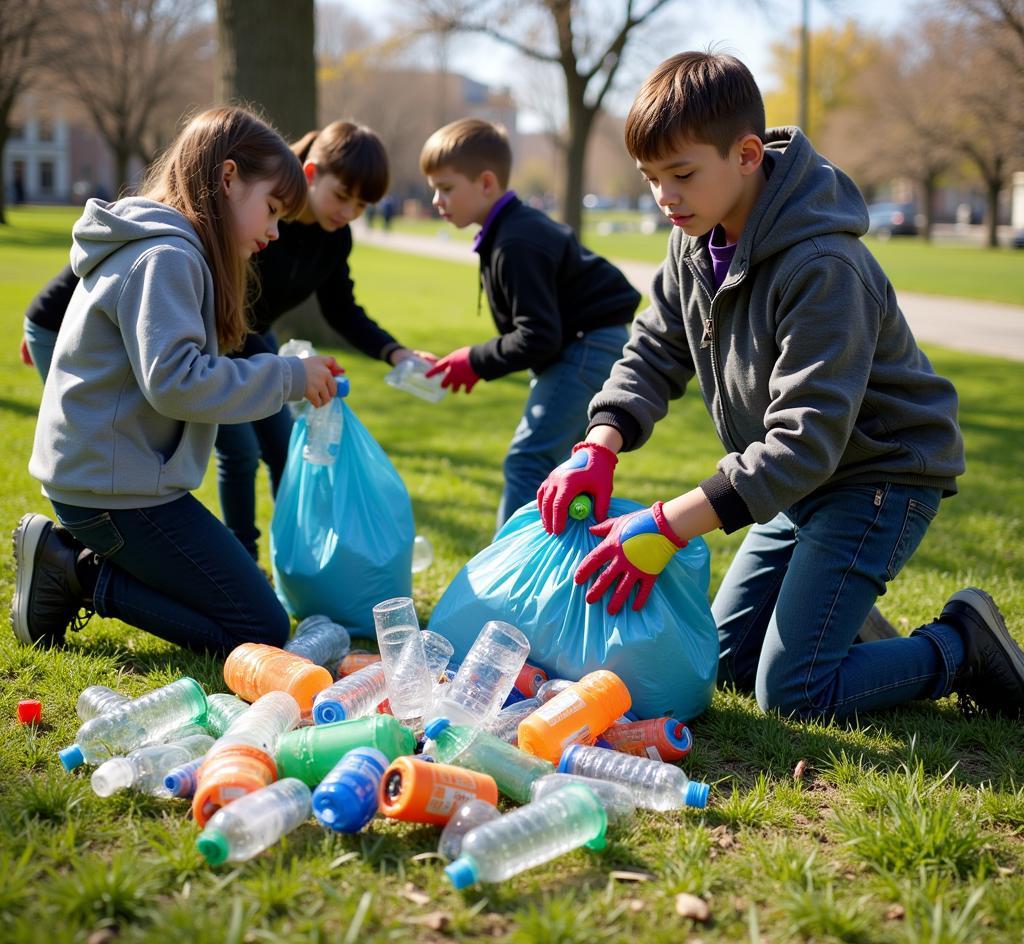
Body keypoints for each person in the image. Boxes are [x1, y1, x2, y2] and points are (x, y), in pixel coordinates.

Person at [536, 51, 1024, 721]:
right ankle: (840, 628)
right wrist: (599, 445)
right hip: (799, 483)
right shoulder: (695, 238)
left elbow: (806, 440)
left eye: (680, 175)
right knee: (726, 664)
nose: (664, 198)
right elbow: (655, 346)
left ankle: (960, 646)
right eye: (651, 179)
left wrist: (666, 523)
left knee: (793, 693)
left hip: (879, 478)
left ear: (744, 154)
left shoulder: (824, 265)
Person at [11, 106, 341, 655]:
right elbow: (178, 383)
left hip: (114, 482)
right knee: (258, 630)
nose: (274, 231)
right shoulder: (166, 256)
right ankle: (77, 574)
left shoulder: (167, 247)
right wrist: (286, 376)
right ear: (229, 178)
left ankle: (75, 562)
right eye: (272, 209)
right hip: (111, 492)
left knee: (253, 613)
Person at [19, 119, 431, 560]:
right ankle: (92, 560)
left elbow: (340, 308)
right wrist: (61, 323)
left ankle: (287, 554)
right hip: (82, 326)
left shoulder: (326, 236)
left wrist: (394, 352)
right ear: (311, 174)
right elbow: (114, 263)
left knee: (279, 442)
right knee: (208, 448)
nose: (348, 212)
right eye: (342, 196)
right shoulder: (244, 210)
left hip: (235, 335)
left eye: (362, 205)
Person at [419, 118, 641, 530]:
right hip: (582, 345)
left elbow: (539, 336)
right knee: (559, 466)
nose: (436, 199)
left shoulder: (516, 240)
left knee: (528, 460)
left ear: (486, 183)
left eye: (446, 188)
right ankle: (561, 562)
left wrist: (477, 360)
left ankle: (508, 581)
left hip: (587, 346)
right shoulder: (506, 232)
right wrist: (477, 362)